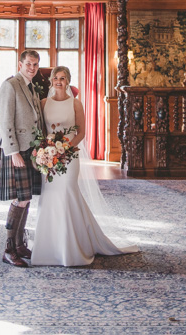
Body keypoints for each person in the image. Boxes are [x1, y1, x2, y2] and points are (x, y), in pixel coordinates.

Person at [31, 65, 139, 267]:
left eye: (63, 78)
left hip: (70, 157)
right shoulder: (43, 102)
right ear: (51, 81)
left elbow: (81, 133)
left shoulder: (76, 104)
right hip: (49, 159)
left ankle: (73, 246)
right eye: (56, 78)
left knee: (67, 193)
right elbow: (40, 130)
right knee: (50, 196)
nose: (59, 81)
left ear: (68, 81)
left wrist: (64, 149)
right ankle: (49, 246)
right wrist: (45, 152)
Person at [0, 49, 44, 267]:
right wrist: (13, 151)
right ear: (20, 64)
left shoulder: (31, 87)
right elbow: (5, 122)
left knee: (27, 198)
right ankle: (8, 249)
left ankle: (19, 244)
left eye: (35, 65)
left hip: (30, 149)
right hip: (16, 150)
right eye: (28, 64)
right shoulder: (10, 85)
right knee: (20, 198)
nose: (32, 68)